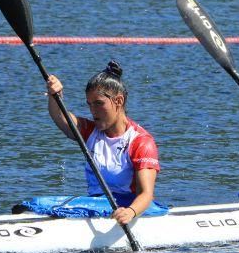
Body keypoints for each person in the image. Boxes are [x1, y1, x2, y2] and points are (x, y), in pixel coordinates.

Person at [46, 61, 160, 226]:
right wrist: (55, 97)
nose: (93, 111)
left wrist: (130, 212)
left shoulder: (141, 142)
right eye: (89, 104)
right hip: (97, 205)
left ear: (118, 101)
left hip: (130, 207)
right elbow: (61, 118)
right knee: (43, 203)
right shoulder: (90, 131)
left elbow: (146, 194)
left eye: (99, 103)